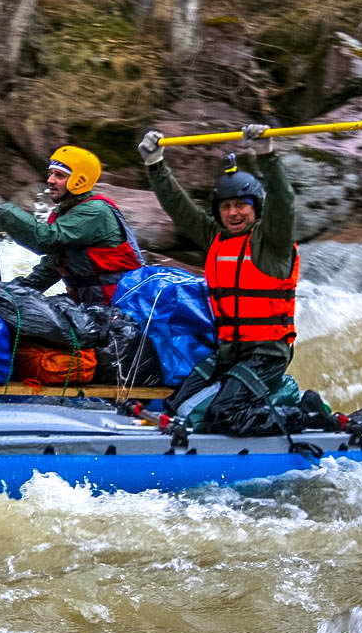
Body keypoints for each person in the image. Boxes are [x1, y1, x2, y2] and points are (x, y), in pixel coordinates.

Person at [137, 125, 331, 436]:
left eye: (241, 205)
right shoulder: (215, 237)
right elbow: (181, 209)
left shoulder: (272, 243)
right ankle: (269, 399)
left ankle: (304, 413)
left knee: (225, 414)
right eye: (226, 206)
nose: (234, 212)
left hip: (267, 355)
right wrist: (155, 164)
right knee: (177, 406)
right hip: (229, 352)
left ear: (256, 208)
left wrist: (266, 155)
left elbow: (284, 202)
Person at [0, 145, 144, 306]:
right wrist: (16, 291)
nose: (50, 180)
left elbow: (45, 239)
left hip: (120, 305)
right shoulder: (65, 212)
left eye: (59, 175)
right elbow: (53, 266)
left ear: (79, 181)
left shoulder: (95, 212)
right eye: (50, 173)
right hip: (90, 302)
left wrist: (3, 212)